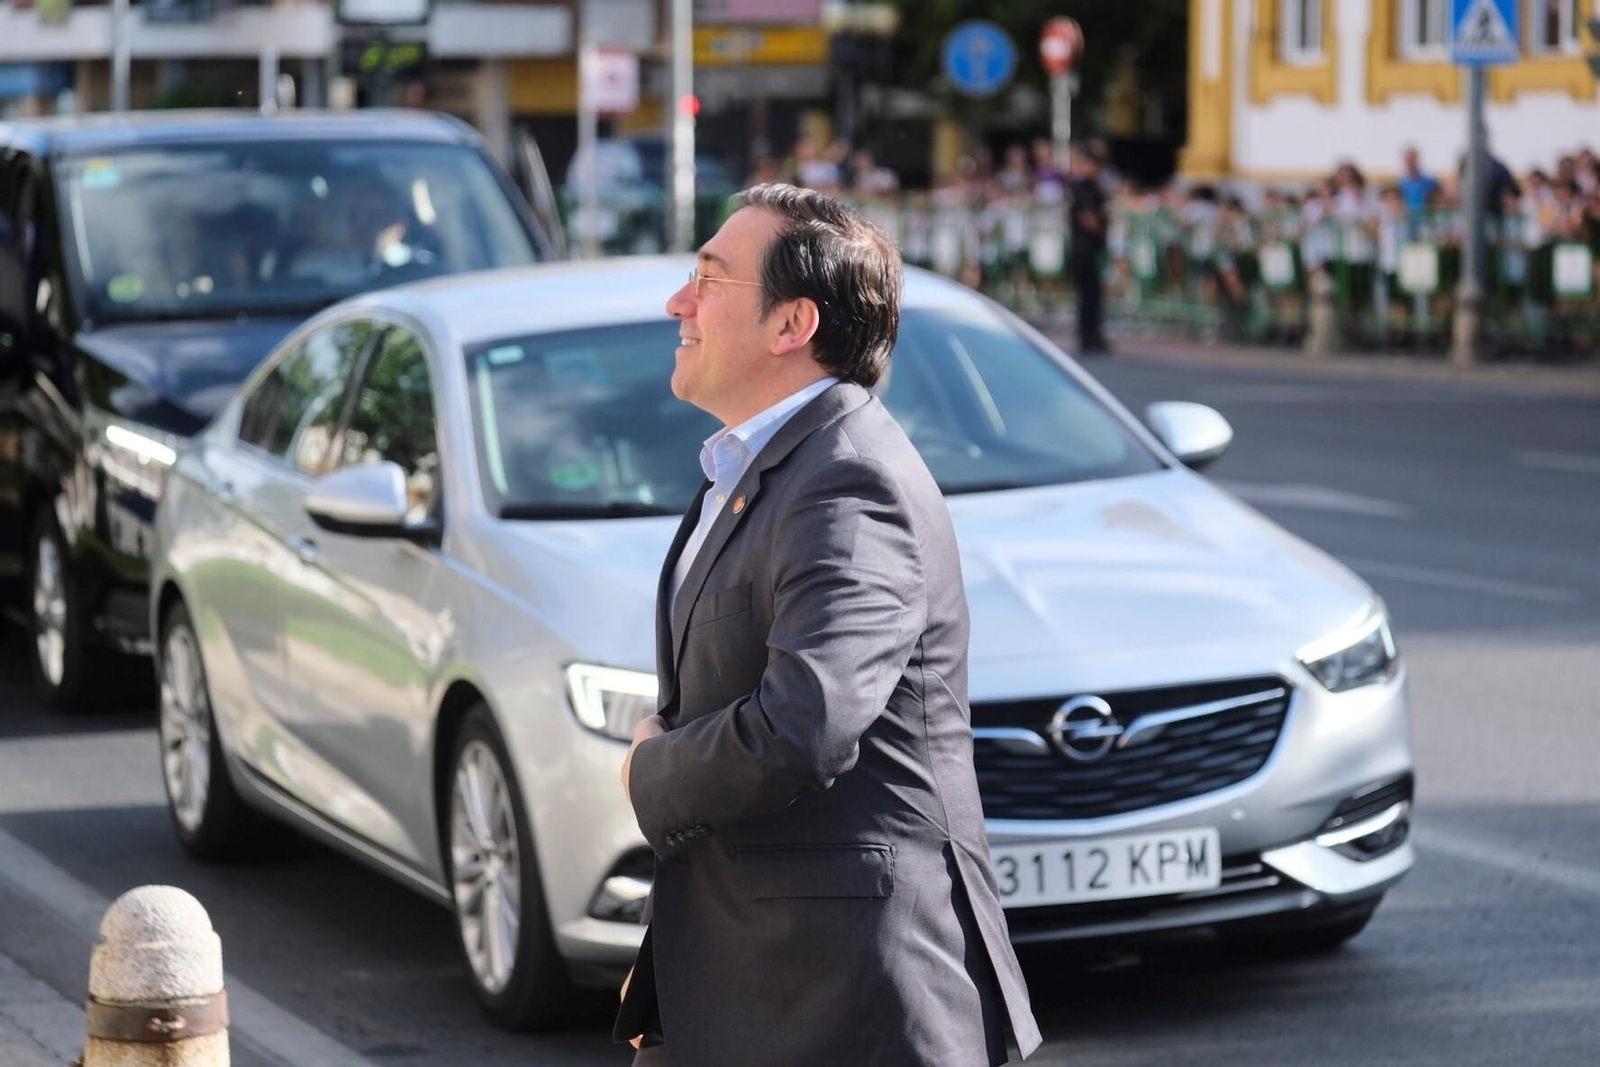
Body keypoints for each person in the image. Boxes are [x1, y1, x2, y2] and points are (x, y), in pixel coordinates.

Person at [614, 183, 1042, 1067]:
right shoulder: (759, 461)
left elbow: (802, 724)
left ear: (790, 324)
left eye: (709, 278)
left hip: (843, 1006)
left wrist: (650, 769)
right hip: (760, 983)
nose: (677, 302)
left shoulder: (849, 481)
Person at [1067, 145, 1111, 353]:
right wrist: (1101, 231)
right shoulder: (1084, 187)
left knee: (1092, 294)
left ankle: (1092, 335)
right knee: (1088, 294)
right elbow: (1087, 218)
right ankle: (1088, 336)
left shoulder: (1091, 187)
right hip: (1084, 248)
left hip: (1088, 248)